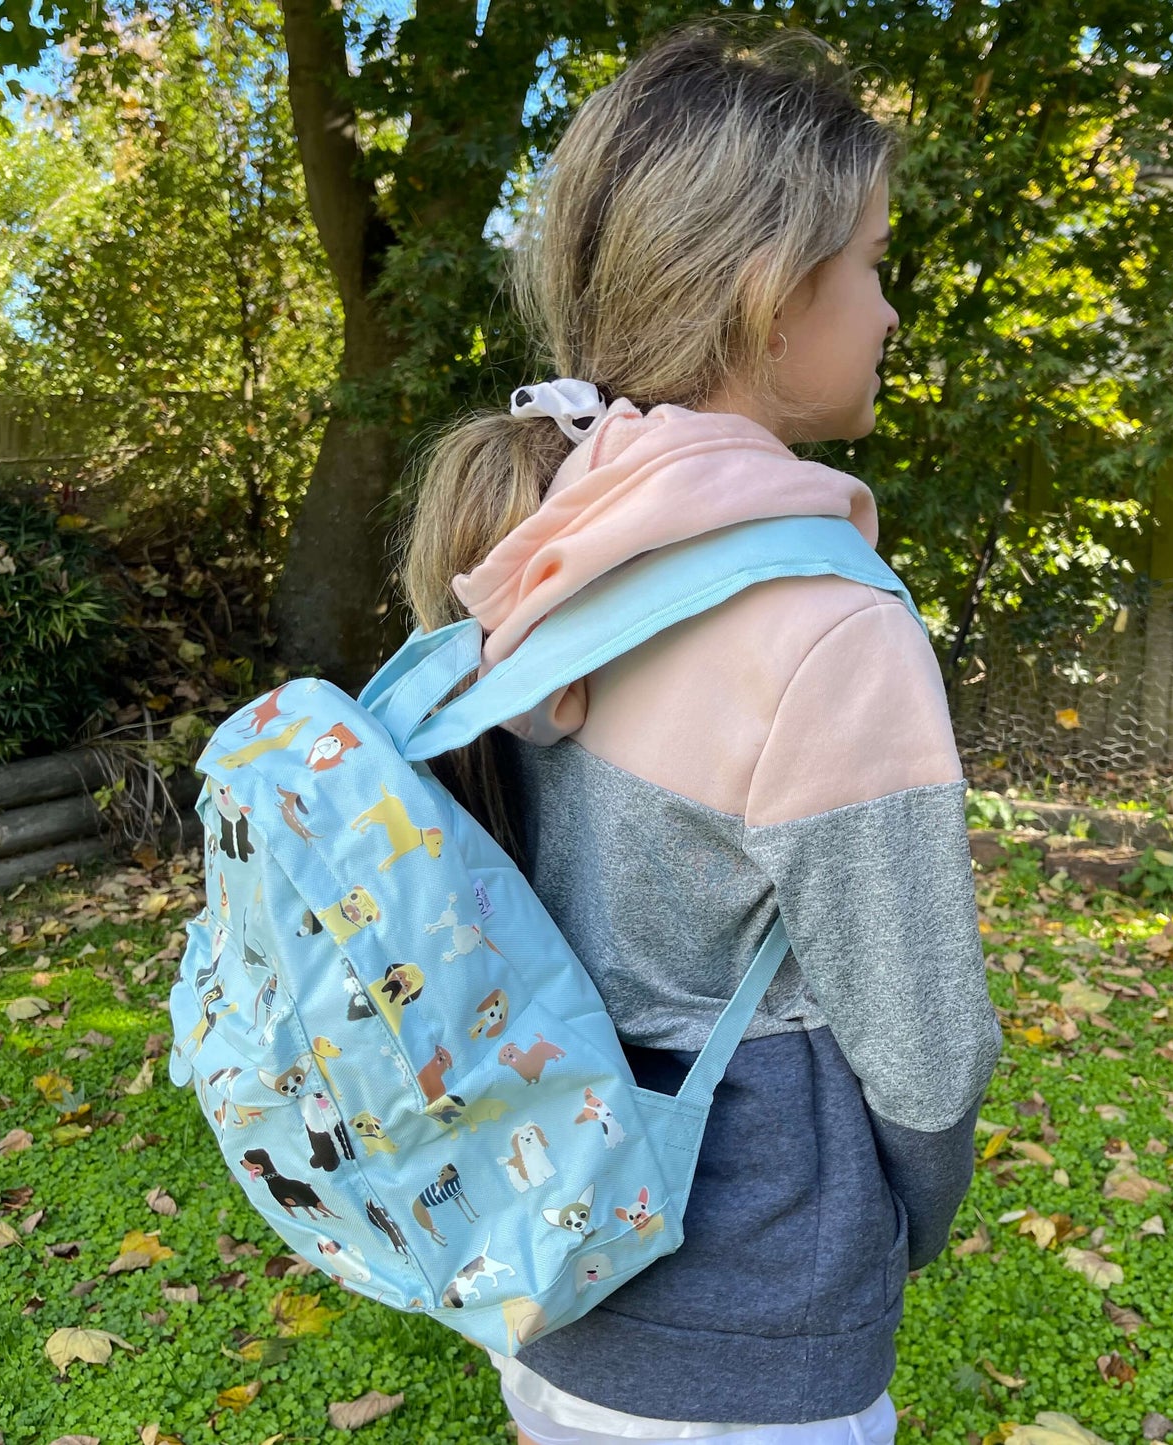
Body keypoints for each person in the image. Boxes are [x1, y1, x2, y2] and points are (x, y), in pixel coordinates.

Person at [401, 18, 1002, 1445]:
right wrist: (892, 1228)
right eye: (872, 262)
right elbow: (924, 1056)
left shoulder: (542, 540)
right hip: (750, 1334)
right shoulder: (829, 628)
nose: (888, 309)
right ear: (771, 295)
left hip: (541, 1255)